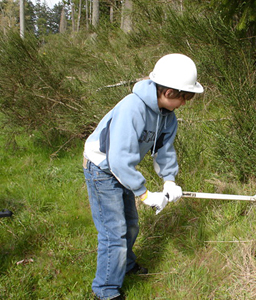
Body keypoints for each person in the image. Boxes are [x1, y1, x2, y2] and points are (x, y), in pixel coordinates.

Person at [83, 53, 204, 300]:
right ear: (170, 92)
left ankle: (124, 265)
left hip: (121, 169)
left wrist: (169, 180)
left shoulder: (167, 116)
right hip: (102, 169)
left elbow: (164, 149)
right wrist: (145, 193)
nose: (184, 103)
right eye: (184, 97)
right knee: (113, 232)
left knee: (131, 225)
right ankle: (105, 290)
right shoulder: (132, 108)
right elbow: (117, 159)